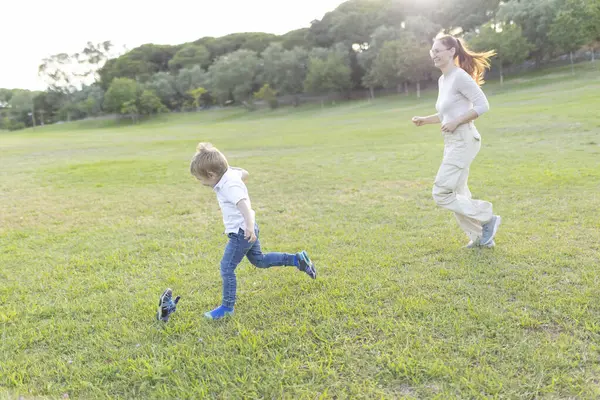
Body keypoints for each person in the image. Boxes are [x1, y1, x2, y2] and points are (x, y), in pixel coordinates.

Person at [189, 142, 317, 320]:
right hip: (248, 228)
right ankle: (298, 259)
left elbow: (243, 204)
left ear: (211, 174)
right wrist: (235, 173)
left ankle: (227, 307)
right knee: (260, 261)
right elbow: (244, 172)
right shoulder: (230, 175)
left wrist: (248, 226)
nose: (201, 183)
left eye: (200, 179)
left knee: (226, 268)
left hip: (242, 232)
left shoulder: (229, 186)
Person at [412, 35, 501, 248]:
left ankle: (488, 217)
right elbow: (447, 114)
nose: (433, 54)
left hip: (464, 139)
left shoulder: (460, 76)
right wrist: (426, 120)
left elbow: (482, 106)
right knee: (459, 194)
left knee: (441, 193)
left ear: (451, 51)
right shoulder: (443, 80)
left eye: (438, 50)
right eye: (432, 51)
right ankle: (481, 237)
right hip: (452, 142)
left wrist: (456, 122)